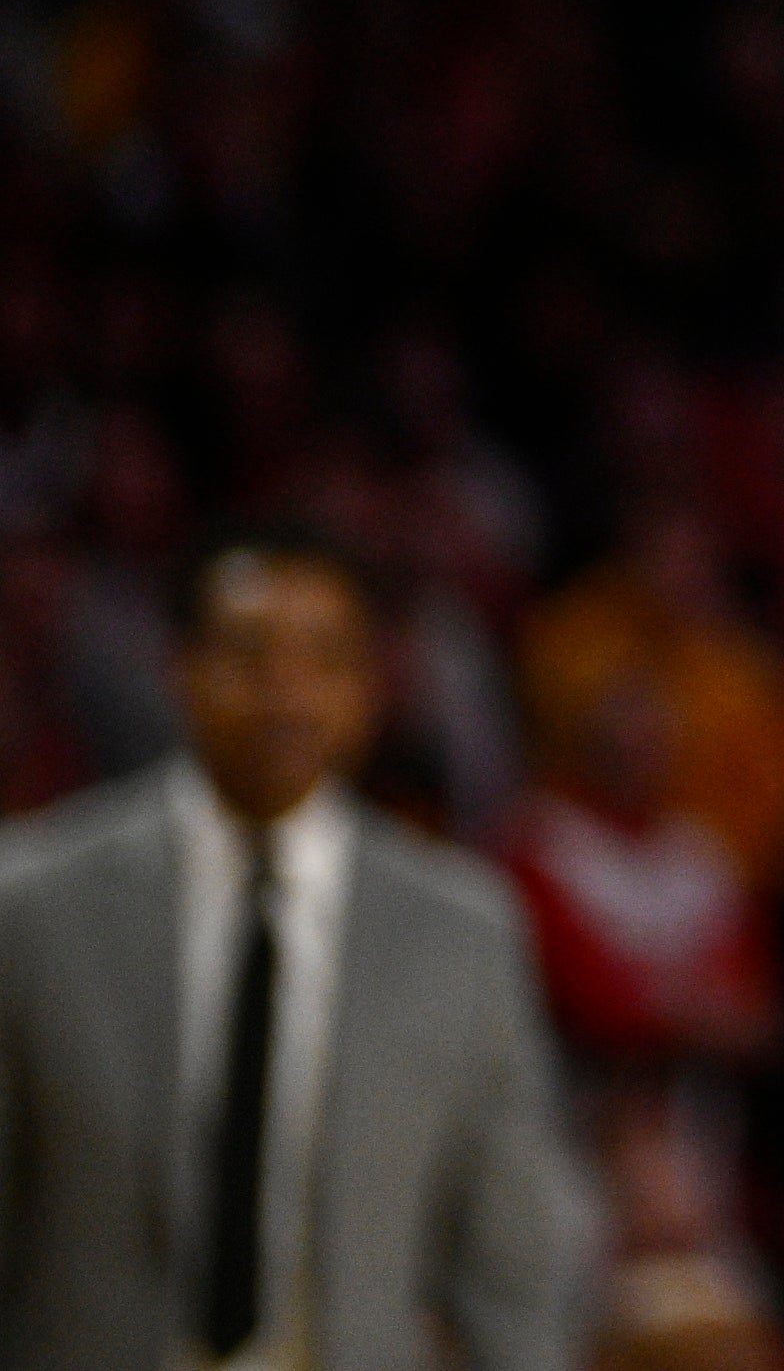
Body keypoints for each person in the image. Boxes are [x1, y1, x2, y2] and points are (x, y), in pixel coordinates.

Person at [0, 522, 598, 1371]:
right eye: (248, 652)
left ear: (370, 688)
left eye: (324, 659)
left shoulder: (461, 931)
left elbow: (514, 1254)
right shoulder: (31, 902)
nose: (285, 691)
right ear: (179, 667)